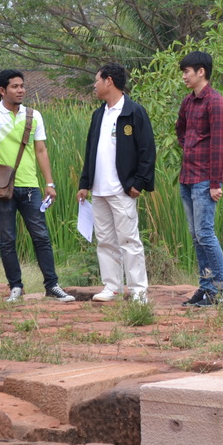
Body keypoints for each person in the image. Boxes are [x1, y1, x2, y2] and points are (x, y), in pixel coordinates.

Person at [0, 57, 75, 303]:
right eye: (15, 86)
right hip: (2, 188)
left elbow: (41, 150)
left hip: (30, 187)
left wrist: (49, 183)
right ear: (2, 90)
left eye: (22, 86)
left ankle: (52, 286)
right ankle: (16, 288)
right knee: (7, 240)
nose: (21, 90)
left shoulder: (33, 115)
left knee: (41, 237)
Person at [76, 64, 156, 304]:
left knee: (129, 241)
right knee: (105, 241)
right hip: (99, 190)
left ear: (109, 81)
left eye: (96, 80)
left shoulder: (134, 112)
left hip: (123, 189)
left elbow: (147, 150)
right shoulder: (98, 114)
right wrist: (85, 183)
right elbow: (90, 150)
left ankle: (138, 291)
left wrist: (139, 183)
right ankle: (112, 287)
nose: (94, 85)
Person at [175, 51, 223, 307]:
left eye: (187, 71)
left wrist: (215, 183)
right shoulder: (188, 102)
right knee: (196, 236)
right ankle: (207, 288)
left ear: (201, 72)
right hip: (187, 177)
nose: (184, 76)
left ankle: (222, 293)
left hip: (204, 180)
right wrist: (189, 146)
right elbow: (180, 129)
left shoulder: (215, 102)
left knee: (206, 234)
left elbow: (219, 146)